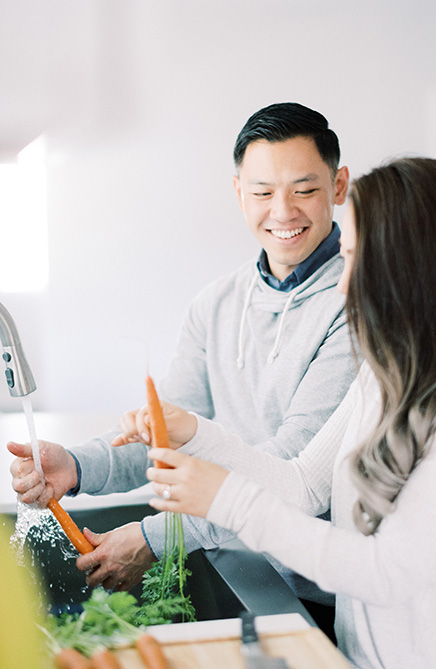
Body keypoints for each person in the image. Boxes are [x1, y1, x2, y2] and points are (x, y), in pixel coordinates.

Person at [126, 157, 436, 668]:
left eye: (353, 261)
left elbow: (386, 572)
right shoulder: (383, 375)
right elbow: (302, 484)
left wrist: (227, 500)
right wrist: (193, 432)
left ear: (407, 269)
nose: (343, 286)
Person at [8, 103, 355, 634]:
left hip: (320, 591)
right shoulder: (216, 303)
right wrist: (77, 466)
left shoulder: (357, 307)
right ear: (239, 192)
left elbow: (292, 474)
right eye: (262, 192)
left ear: (338, 186)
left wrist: (157, 536)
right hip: (238, 557)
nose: (282, 211)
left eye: (304, 189)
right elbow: (166, 434)